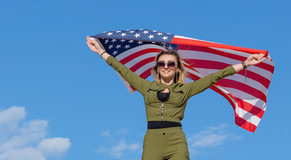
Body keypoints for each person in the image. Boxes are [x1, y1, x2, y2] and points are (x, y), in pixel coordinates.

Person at [85, 36, 266, 160]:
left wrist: (244, 63)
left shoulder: (186, 89)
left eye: (171, 63)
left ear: (177, 68)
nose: (166, 66)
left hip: (176, 140)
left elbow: (214, 77)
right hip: (152, 141)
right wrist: (101, 52)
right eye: (162, 63)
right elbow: (122, 69)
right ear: (157, 68)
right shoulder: (145, 86)